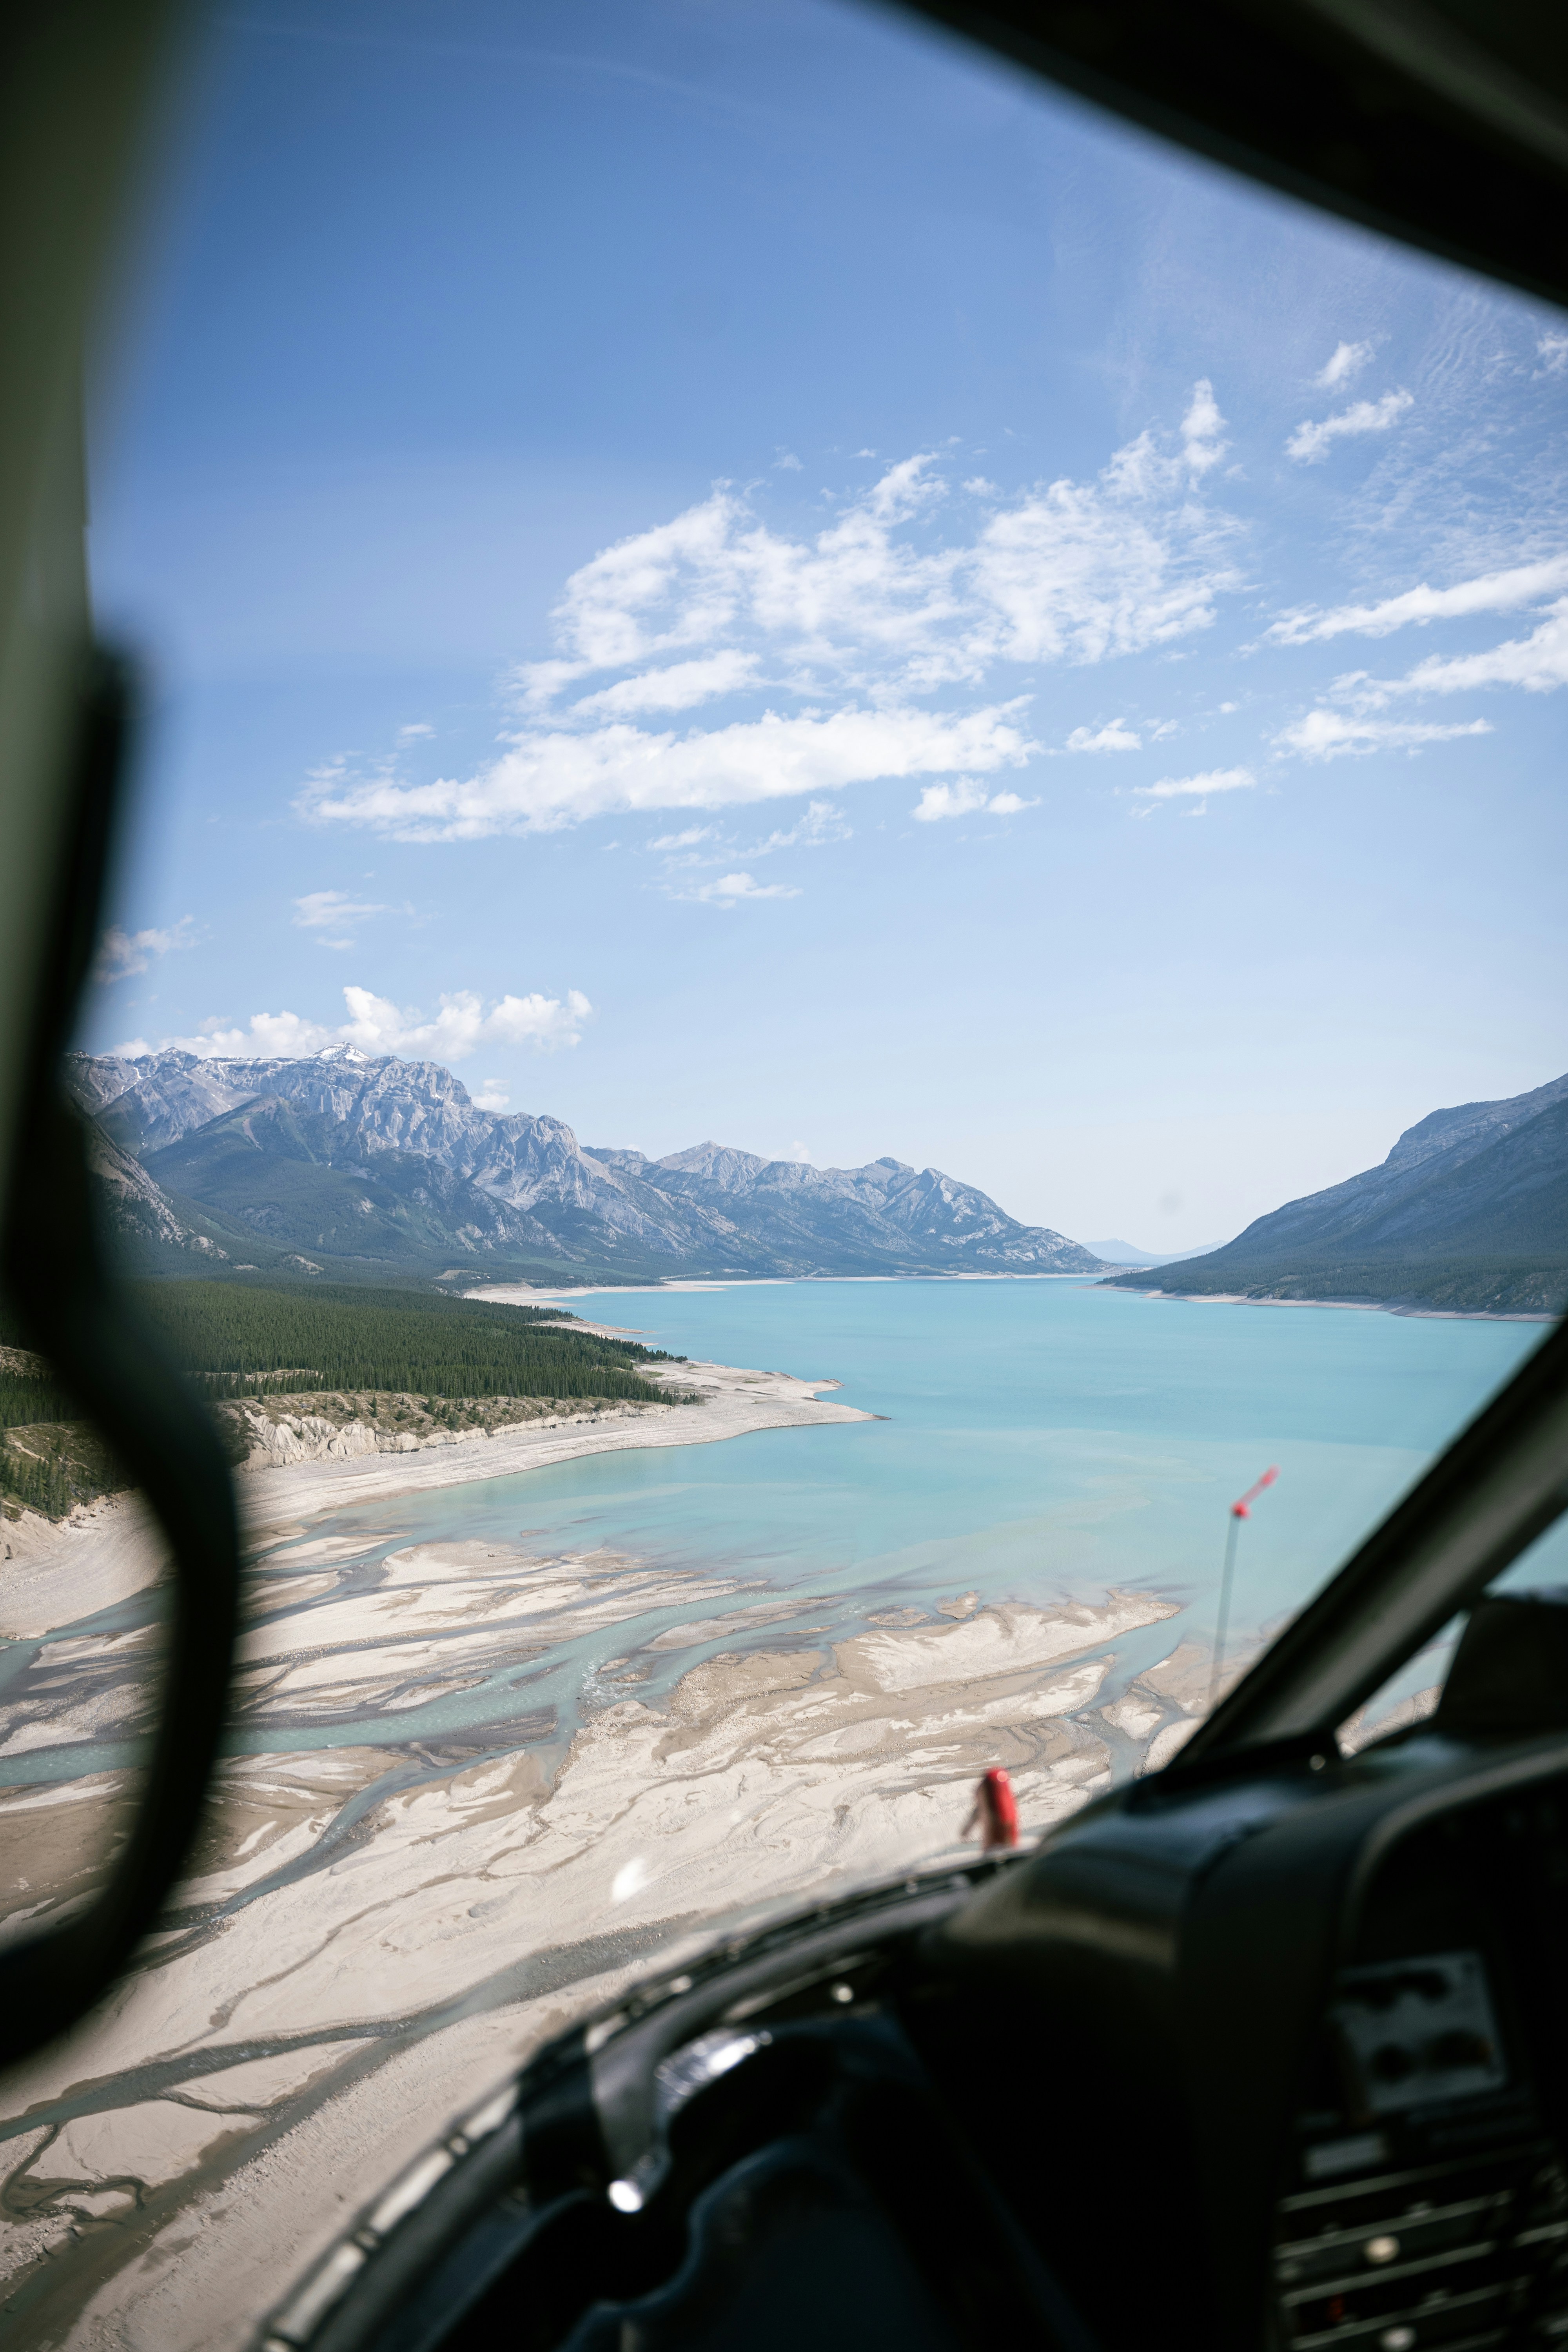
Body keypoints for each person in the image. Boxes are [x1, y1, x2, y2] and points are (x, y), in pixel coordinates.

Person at [961, 1766, 1019, 1853]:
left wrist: (966, 1833)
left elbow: (964, 1832)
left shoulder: (985, 1803)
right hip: (1010, 1847)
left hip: (992, 1850)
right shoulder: (1007, 1800)